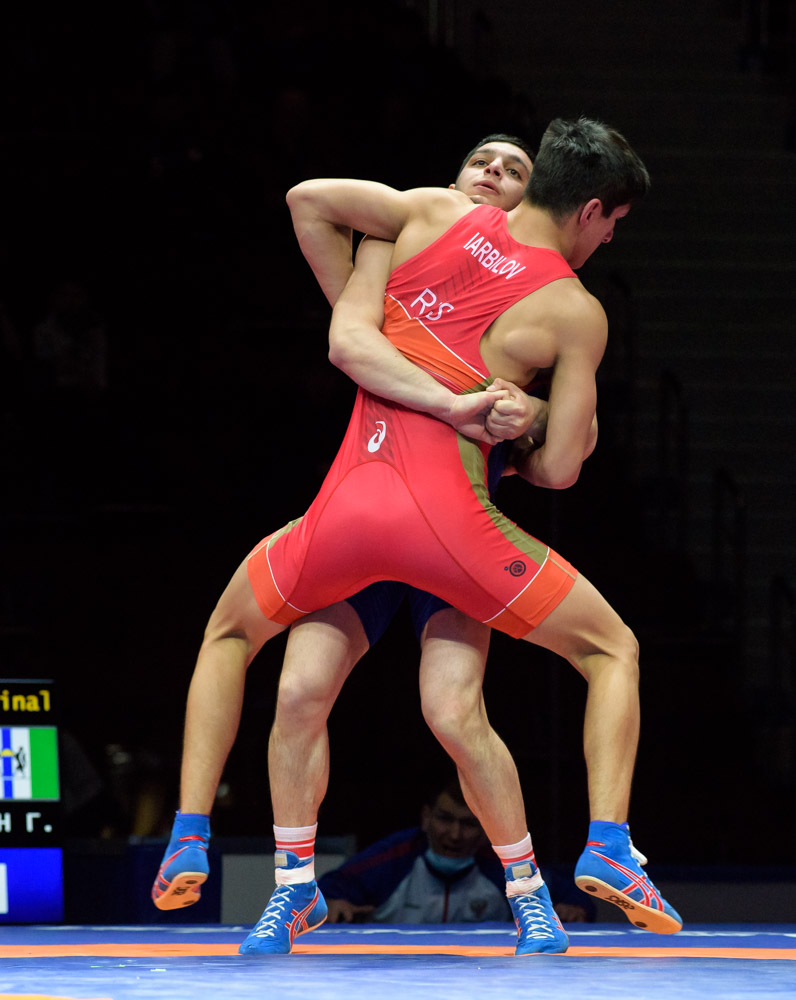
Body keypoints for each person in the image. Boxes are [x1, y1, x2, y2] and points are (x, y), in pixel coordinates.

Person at [155, 118, 683, 957]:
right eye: (480, 160)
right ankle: (302, 887)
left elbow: (334, 278)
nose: (491, 173)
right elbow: (559, 468)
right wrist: (500, 410)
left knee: (449, 711)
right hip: (447, 531)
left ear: (533, 188)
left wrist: (520, 407)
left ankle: (523, 894)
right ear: (589, 210)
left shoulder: (414, 229)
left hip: (379, 523)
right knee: (304, 693)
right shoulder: (544, 293)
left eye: (511, 167)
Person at [319, 781, 594, 925]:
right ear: (426, 817)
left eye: (468, 824)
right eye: (445, 819)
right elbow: (332, 886)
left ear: (486, 829)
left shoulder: (501, 865)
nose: (455, 834)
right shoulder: (394, 857)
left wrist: (575, 908)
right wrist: (333, 903)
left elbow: (572, 893)